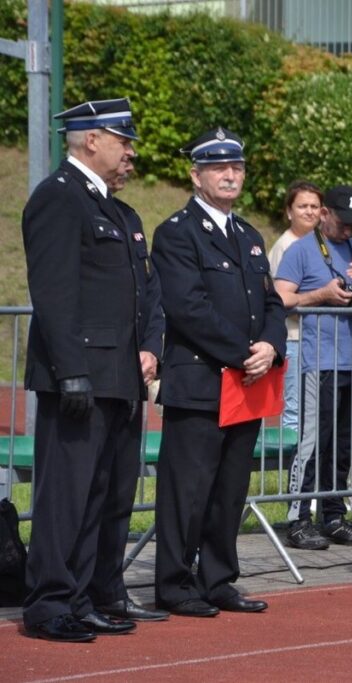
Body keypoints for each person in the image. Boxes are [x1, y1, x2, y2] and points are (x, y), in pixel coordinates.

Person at [20, 98, 151, 642]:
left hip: (115, 376)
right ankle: (49, 605)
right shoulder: (59, 197)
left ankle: (79, 596)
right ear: (90, 139)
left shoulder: (110, 208)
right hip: (78, 377)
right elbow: (53, 294)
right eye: (123, 140)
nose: (130, 152)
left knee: (101, 495)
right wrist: (72, 371)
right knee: (64, 497)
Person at [152, 127, 286, 616]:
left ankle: (218, 578)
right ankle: (173, 581)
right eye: (218, 168)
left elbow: (272, 301)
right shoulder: (176, 232)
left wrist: (271, 345)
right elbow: (188, 307)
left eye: (237, 167)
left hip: (245, 383)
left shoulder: (249, 235)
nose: (230, 175)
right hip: (201, 381)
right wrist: (245, 351)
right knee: (187, 490)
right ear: (196, 174)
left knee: (230, 490)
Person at [275, 185, 352, 550]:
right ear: (324, 215)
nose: (350, 231)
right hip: (318, 361)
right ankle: (297, 517)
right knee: (313, 442)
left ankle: (334, 514)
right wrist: (319, 295)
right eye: (343, 222)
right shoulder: (300, 250)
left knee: (344, 442)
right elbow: (281, 299)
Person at [86, 155, 170, 623]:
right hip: (97, 373)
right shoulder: (67, 203)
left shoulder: (129, 216)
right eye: (123, 144)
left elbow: (150, 294)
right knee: (92, 492)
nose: (132, 158)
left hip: (132, 376)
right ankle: (77, 595)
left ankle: (109, 590)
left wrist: (152, 347)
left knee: (119, 493)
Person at [268, 181, 323, 438]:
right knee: (296, 411)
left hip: (317, 340)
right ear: (289, 211)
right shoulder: (286, 246)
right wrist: (322, 297)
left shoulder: (320, 244)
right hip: (294, 339)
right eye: (303, 206)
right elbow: (278, 298)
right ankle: (293, 474)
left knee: (316, 410)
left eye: (315, 206)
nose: (310, 211)